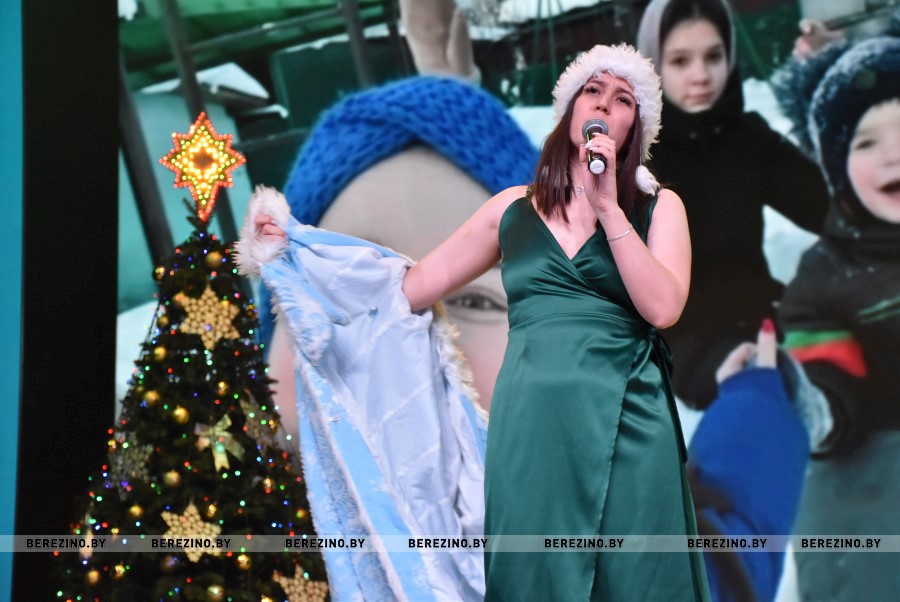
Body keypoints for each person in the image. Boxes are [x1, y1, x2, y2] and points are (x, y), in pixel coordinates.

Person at [256, 42, 710, 601]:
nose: (603, 104)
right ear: (570, 107)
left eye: (622, 99)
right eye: (592, 90)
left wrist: (609, 209)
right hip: (532, 426)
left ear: (635, 125)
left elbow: (663, 307)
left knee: (639, 576)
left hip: (630, 419)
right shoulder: (511, 209)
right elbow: (410, 287)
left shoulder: (659, 207)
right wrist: (300, 250)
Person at [636, 0, 830, 408]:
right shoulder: (636, 162)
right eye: (680, 61)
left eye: (713, 56)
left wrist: (826, 93)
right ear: (652, 66)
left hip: (763, 318)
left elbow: (829, 209)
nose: (701, 75)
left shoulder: (748, 138)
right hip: (685, 343)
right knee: (764, 397)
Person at [777, 35, 900, 602]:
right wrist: (824, 400)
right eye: (867, 141)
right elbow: (823, 357)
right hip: (880, 441)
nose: (893, 154)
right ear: (837, 169)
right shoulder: (826, 273)